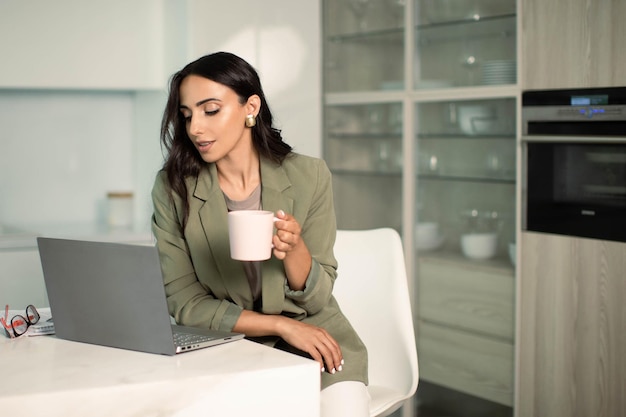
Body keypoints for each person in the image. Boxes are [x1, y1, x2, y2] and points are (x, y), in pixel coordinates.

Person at [151, 51, 369, 416]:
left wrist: (295, 248)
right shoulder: (174, 187)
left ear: (250, 107)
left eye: (210, 110)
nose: (194, 129)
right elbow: (185, 304)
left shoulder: (310, 176)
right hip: (228, 350)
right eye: (187, 115)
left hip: (315, 340)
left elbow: (316, 300)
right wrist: (279, 326)